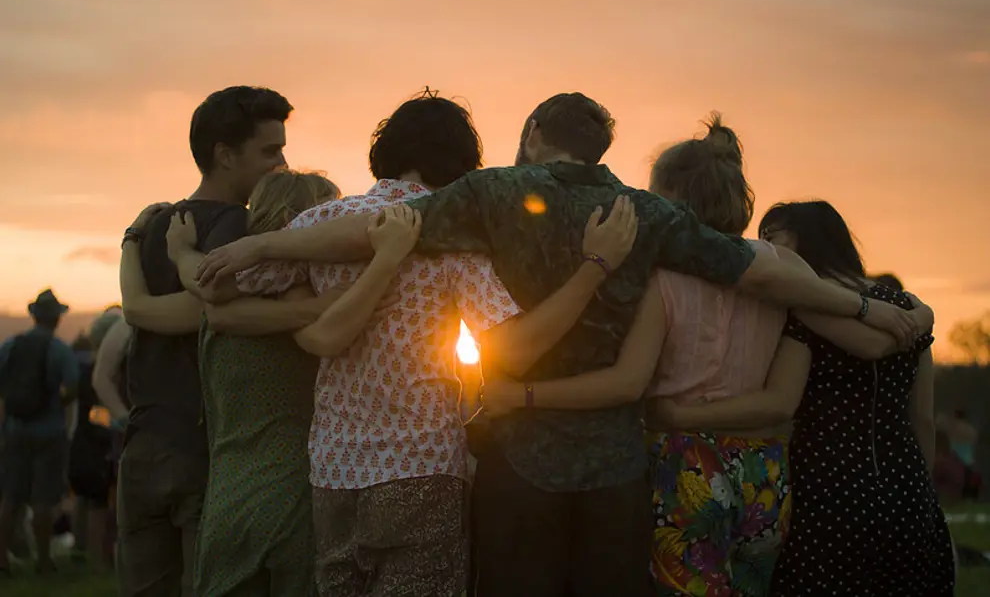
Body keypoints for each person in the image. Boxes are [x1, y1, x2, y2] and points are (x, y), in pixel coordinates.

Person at [193, 94, 922, 597]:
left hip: (517, 460)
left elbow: (377, 231)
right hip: (614, 464)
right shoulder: (645, 212)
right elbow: (759, 270)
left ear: (536, 129)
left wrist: (262, 240)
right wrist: (859, 301)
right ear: (602, 145)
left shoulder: (493, 194)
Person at [185, 90, 641, 596]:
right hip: (422, 465)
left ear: (389, 151)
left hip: (334, 468)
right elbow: (512, 349)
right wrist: (593, 271)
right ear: (464, 164)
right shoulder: (458, 239)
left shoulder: (319, 223)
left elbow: (217, 292)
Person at [481, 115, 935, 596]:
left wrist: (522, 394)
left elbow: (628, 383)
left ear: (674, 199)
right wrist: (911, 317)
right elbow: (851, 332)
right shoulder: (781, 267)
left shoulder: (661, 276)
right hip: (765, 471)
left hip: (687, 466)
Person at [117, 85, 292, 596]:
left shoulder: (156, 226)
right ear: (224, 154)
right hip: (203, 445)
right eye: (270, 150)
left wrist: (128, 244)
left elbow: (140, 308)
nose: (282, 163)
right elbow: (210, 310)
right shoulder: (238, 225)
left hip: (143, 442)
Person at [753, 201, 954, 596]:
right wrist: (923, 495)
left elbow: (783, 403)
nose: (765, 248)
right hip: (906, 486)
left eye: (772, 236)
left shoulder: (804, 309)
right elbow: (923, 418)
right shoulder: (906, 308)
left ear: (806, 239)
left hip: (827, 489)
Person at [162, 169, 342, 596]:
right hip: (296, 501)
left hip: (227, 500)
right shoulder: (302, 286)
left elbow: (183, 297)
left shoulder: (220, 302)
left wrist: (179, 252)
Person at [0, 289, 80, 577]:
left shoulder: (11, 346)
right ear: (57, 319)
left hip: (14, 430)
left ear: (33, 316)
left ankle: (2, 560)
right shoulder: (60, 350)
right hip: (49, 433)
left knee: (11, 496)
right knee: (43, 499)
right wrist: (58, 403)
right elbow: (73, 385)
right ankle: (43, 560)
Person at [68, 308, 124, 571]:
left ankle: (94, 558)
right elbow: (96, 416)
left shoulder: (86, 369)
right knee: (99, 504)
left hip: (86, 443)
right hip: (99, 446)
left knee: (93, 502)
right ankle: (100, 563)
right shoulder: (103, 374)